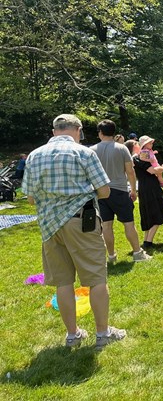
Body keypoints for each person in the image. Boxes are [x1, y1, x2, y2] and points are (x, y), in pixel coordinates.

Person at [22, 114, 126, 349]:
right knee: (96, 278)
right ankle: (102, 334)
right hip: (81, 222)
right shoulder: (84, 153)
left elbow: (30, 198)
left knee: (63, 282)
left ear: (54, 131)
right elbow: (105, 191)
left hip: (49, 225)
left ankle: (72, 335)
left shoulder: (34, 156)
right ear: (78, 130)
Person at [90, 119, 151, 264]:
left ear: (100, 132)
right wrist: (133, 190)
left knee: (106, 225)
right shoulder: (122, 148)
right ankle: (137, 253)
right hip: (120, 191)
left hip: (100, 192)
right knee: (129, 223)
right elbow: (130, 171)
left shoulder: (91, 150)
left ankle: (111, 256)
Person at [132, 141, 163, 248]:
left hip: (145, 187)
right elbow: (153, 170)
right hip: (150, 187)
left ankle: (147, 240)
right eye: (136, 145)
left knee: (149, 214)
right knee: (157, 212)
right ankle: (148, 242)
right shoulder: (139, 158)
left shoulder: (137, 158)